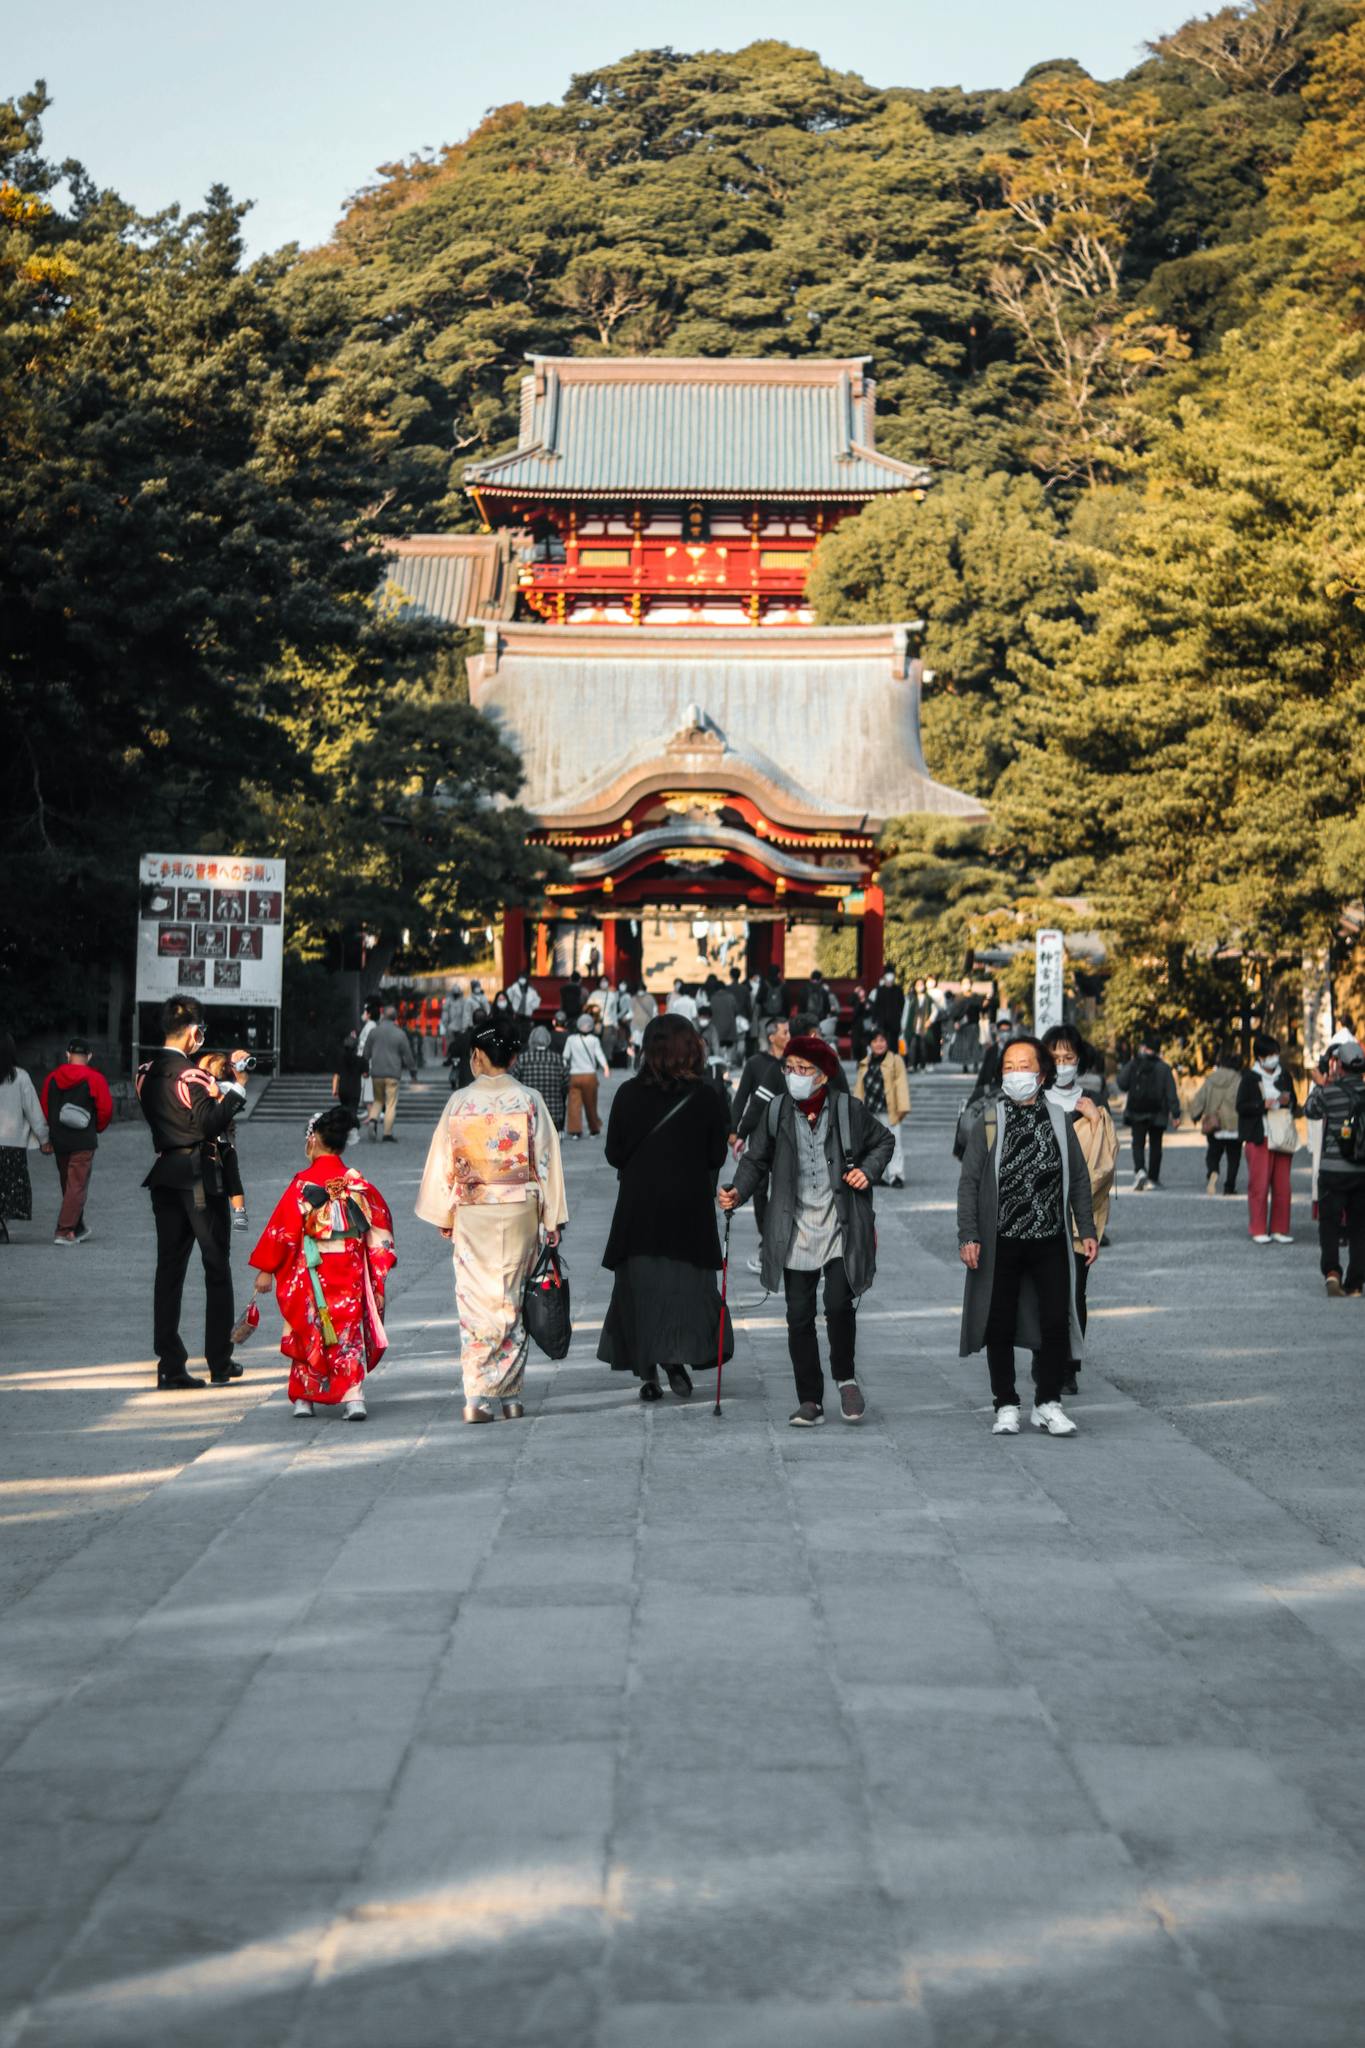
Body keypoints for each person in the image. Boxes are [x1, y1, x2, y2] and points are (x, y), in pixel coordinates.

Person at [721, 1034, 893, 1426]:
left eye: (804, 1069)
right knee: (798, 1315)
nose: (794, 1076)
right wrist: (736, 1190)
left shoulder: (848, 1110)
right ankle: (810, 1399)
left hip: (839, 1226)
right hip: (794, 1227)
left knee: (836, 1304)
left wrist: (867, 1172)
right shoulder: (777, 1110)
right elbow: (755, 1159)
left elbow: (884, 1140)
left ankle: (846, 1379)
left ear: (823, 1075)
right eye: (789, 1069)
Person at [415, 1017, 567, 1423]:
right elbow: (547, 1163)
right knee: (512, 1298)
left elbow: (444, 1162)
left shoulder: (461, 1102)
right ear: (514, 1056)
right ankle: (511, 1397)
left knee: (474, 1300)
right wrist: (552, 1217)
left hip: (474, 1207)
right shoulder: (529, 1100)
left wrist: (445, 1212)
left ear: (478, 1056)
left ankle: (476, 1399)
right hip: (519, 1209)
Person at [956, 1034, 1098, 1438]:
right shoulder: (988, 1120)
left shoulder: (1058, 1119)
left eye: (1024, 1066)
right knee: (998, 1322)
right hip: (1001, 1239)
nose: (1016, 1073)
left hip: (1049, 1238)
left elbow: (1080, 1180)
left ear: (1041, 1074)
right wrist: (968, 1233)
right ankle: (1005, 1403)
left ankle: (1048, 1402)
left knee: (1056, 1321)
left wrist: (1085, 1229)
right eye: (1009, 1067)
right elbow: (969, 1182)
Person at [599, 1014, 732, 1403]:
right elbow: (715, 1153)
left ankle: (649, 1371)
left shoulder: (627, 1093)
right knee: (683, 1288)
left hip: (639, 1209)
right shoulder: (705, 1096)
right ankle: (676, 1357)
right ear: (691, 1048)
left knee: (640, 1290)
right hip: (688, 1208)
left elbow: (614, 1153)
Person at [246, 1106, 396, 1421]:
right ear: (342, 1144)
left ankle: (304, 1397)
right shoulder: (356, 1184)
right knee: (347, 1330)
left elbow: (283, 1230)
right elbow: (379, 1226)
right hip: (349, 1269)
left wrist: (267, 1269)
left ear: (313, 1140)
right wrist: (379, 1263)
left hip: (310, 1268)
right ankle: (353, 1397)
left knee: (307, 1325)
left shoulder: (304, 1183)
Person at [136, 995, 251, 1389]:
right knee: (216, 1266)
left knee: (168, 1270)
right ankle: (219, 1360)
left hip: (164, 1173)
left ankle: (169, 1363)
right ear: (192, 1032)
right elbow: (207, 1124)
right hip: (200, 1176)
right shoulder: (193, 1076)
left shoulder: (145, 1072)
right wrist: (235, 1090)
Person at [1032, 1024, 1117, 1396]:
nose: (1063, 1064)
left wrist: (1096, 1121)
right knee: (1040, 1291)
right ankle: (1043, 1357)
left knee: (1075, 1293)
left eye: (1069, 1058)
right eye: (1056, 1058)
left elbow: (1106, 1164)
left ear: (1079, 1060)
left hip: (1080, 1218)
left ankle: (1069, 1364)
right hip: (1038, 1214)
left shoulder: (1093, 1103)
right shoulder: (1035, 1099)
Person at [730, 1015, 791, 1271]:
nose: (789, 1036)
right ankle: (765, 1239)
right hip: (760, 1134)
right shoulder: (756, 1063)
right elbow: (743, 1096)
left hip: (787, 1134)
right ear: (771, 1036)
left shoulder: (793, 1063)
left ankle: (780, 1240)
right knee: (759, 1189)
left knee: (783, 1187)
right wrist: (735, 1131)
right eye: (785, 1032)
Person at [1305, 1037, 1365, 1295]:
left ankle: (1332, 1272)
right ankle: (1355, 1283)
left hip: (1332, 1169)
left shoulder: (1329, 1092)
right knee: (1360, 1227)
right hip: (1361, 1170)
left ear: (1339, 1065)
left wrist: (1321, 1084)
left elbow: (1310, 1110)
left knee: (1329, 1224)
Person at [40, 1037, 114, 1246]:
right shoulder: (95, 1079)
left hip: (59, 1140)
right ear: (89, 1056)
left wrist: (48, 1135)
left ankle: (77, 1226)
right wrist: (96, 1127)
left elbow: (44, 1107)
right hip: (83, 1139)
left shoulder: (52, 1078)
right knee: (77, 1185)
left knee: (68, 1183)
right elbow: (106, 1109)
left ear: (67, 1054)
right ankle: (65, 1231)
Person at [1237, 1033, 1299, 1245]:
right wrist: (1261, 1105)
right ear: (1260, 1057)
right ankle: (1258, 1228)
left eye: (1275, 1053)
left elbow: (1295, 1103)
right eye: (1269, 1054)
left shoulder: (1285, 1076)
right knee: (1259, 1185)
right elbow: (1241, 1107)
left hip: (1282, 1135)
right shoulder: (1249, 1078)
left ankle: (1280, 1228)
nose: (1274, 1058)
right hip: (1259, 1136)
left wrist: (1286, 1101)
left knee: (1283, 1186)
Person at [0, 1033, 50, 1244]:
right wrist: (44, 1139)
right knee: (7, 1189)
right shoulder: (20, 1077)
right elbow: (33, 1111)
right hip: (12, 1145)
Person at [1118, 1034, 1181, 1190]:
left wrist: (1132, 1063)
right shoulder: (1164, 1068)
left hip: (1136, 1112)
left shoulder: (1134, 1064)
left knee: (1138, 1144)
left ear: (1144, 1048)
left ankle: (1140, 1171)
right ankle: (1153, 1177)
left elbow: (1121, 1083)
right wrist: (1176, 1113)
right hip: (1158, 1113)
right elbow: (1171, 1092)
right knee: (1156, 1145)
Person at [197, 1052, 250, 1231]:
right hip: (205, 1141)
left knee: (230, 1171)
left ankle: (239, 1210)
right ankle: (202, 1205)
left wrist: (218, 1095)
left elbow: (230, 1107)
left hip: (224, 1139)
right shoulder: (198, 1086)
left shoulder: (226, 1087)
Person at [854, 1027, 909, 1187]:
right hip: (870, 1110)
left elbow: (901, 1084)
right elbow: (859, 1088)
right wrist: (856, 1109)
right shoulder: (865, 1062)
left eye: (882, 1040)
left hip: (889, 1108)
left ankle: (896, 1175)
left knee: (895, 1142)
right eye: (875, 1041)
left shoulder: (895, 1060)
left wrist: (902, 1108)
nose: (879, 1044)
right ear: (870, 1044)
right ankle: (882, 1175)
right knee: (874, 1144)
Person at [1188, 1046, 1243, 1197]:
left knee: (1213, 1153)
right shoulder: (1239, 1080)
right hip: (1234, 1125)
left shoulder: (1211, 1079)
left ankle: (1213, 1172)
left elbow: (1200, 1099)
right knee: (1234, 1157)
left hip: (1215, 1124)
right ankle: (1229, 1186)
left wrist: (1195, 1115)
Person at [365, 1004, 417, 1142]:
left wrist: (365, 1069)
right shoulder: (399, 1034)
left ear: (383, 1016)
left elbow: (366, 1053)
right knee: (390, 1104)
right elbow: (408, 1055)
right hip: (393, 1073)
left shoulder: (374, 1032)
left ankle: (373, 1120)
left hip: (376, 1073)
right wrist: (413, 1072)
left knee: (377, 1100)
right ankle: (387, 1133)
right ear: (395, 1018)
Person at [564, 1013, 609, 1137]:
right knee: (591, 1104)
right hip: (590, 1075)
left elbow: (565, 1056)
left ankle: (575, 1131)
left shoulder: (571, 1039)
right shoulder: (594, 1040)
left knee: (574, 1104)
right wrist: (606, 1067)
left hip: (574, 1075)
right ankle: (594, 1129)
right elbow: (599, 1054)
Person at [517, 1023, 568, 1131]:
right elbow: (566, 1083)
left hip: (529, 1109)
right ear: (548, 1039)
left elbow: (513, 1081)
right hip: (553, 1111)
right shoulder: (558, 1059)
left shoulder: (523, 1059)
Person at [968, 1011, 1016, 1104]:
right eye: (1002, 1031)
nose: (1005, 1034)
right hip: (990, 1089)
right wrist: (977, 1090)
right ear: (997, 1032)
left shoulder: (1015, 1049)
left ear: (1011, 1032)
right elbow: (983, 1071)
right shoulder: (991, 1050)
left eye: (1007, 1031)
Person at [334, 1028, 367, 1120]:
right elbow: (365, 1074)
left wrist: (334, 1089)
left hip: (343, 1089)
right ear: (356, 1047)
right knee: (353, 1110)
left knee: (345, 1109)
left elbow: (336, 1075)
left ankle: (344, 1129)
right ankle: (351, 1131)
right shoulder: (361, 1060)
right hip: (355, 1089)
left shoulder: (340, 1059)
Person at [870, 969, 903, 1048]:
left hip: (895, 1020)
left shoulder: (898, 990)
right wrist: (873, 1021)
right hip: (882, 1021)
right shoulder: (880, 990)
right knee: (883, 1040)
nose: (889, 982)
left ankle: (893, 1057)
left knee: (894, 1041)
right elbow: (876, 1006)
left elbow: (902, 1005)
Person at [506, 971, 541, 1044]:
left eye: (523, 978)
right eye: (521, 978)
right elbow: (508, 998)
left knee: (526, 1032)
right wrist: (511, 1009)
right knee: (516, 1031)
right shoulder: (513, 988)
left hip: (527, 1015)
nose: (522, 980)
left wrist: (531, 1007)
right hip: (517, 1014)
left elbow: (537, 1000)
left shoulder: (531, 989)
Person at [806, 969, 839, 1043]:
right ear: (820, 979)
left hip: (807, 1020)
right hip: (820, 1020)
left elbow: (801, 1008)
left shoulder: (804, 990)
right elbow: (827, 1009)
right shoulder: (824, 991)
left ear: (811, 978)